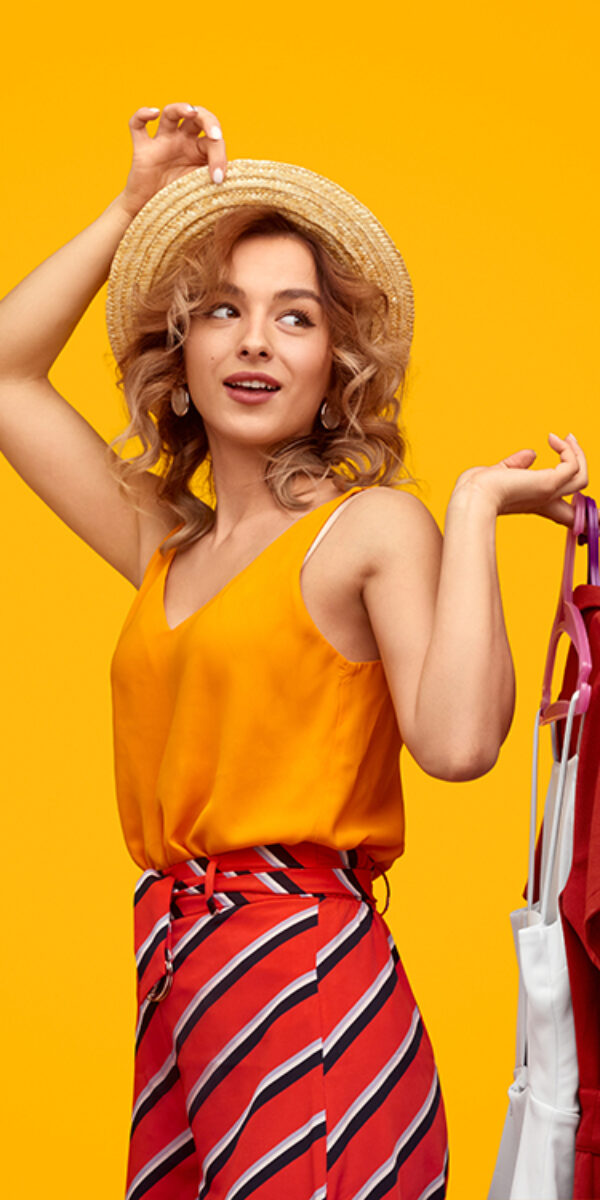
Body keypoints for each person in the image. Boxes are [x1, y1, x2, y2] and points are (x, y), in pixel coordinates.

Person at [0, 102, 588, 1200]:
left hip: (305, 978)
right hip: (182, 981)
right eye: (222, 311)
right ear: (182, 354)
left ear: (339, 361)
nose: (257, 341)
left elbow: (459, 745)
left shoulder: (366, 531)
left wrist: (468, 510)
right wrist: (134, 210)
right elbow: (4, 377)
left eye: (296, 316)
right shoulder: (167, 544)